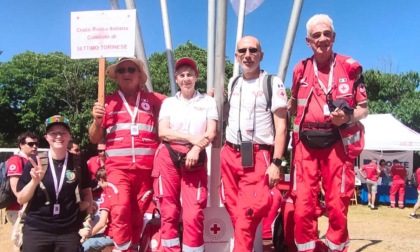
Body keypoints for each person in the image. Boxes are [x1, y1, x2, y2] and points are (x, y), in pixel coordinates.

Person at [288, 14, 368, 251]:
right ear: (308, 41)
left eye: (326, 34)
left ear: (333, 37)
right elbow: (292, 105)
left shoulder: (350, 67)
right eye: (316, 35)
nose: (322, 39)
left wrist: (347, 117)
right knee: (302, 207)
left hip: (337, 145)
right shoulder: (300, 69)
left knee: (337, 206)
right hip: (305, 146)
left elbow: (364, 109)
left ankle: (336, 248)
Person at [89, 57, 166, 251]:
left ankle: (130, 248)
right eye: (121, 70)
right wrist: (97, 121)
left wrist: (205, 97)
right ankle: (121, 249)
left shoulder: (154, 100)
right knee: (120, 209)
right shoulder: (105, 102)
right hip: (118, 169)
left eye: (131, 69)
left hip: (146, 170)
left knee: (137, 215)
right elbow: (93, 138)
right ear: (116, 77)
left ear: (139, 75)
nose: (126, 73)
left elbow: (182, 103)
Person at [220, 35, 288, 252]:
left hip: (258, 157)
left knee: (247, 215)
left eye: (252, 50)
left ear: (261, 55)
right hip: (229, 155)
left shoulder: (272, 82)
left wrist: (276, 162)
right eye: (242, 51)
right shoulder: (233, 83)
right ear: (236, 56)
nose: (247, 55)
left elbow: (282, 127)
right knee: (234, 211)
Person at [151, 57, 218, 251]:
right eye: (182, 75)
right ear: (176, 78)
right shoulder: (169, 103)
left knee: (193, 213)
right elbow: (163, 132)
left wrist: (196, 149)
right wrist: (191, 138)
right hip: (168, 157)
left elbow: (211, 132)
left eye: (190, 74)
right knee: (169, 211)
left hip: (195, 158)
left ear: (196, 76)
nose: (186, 78)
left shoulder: (208, 102)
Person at [16, 115, 93, 252]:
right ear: (46, 137)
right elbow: (21, 198)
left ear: (69, 136)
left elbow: (87, 193)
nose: (58, 136)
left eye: (63, 132)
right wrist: (34, 182)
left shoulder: (78, 162)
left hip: (68, 231)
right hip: (37, 230)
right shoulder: (35, 161)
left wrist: (88, 219)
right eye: (53, 133)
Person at [5, 131, 39, 252]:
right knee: (21, 243)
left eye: (36, 143)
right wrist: (22, 207)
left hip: (28, 208)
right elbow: (16, 189)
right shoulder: (16, 160)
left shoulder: (32, 160)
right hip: (18, 208)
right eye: (30, 144)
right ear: (21, 145)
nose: (34, 146)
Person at [82, 168, 116, 252]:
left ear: (101, 180)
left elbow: (102, 223)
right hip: (125, 234)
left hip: (112, 235)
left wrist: (87, 236)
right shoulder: (121, 191)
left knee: (82, 246)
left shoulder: (106, 194)